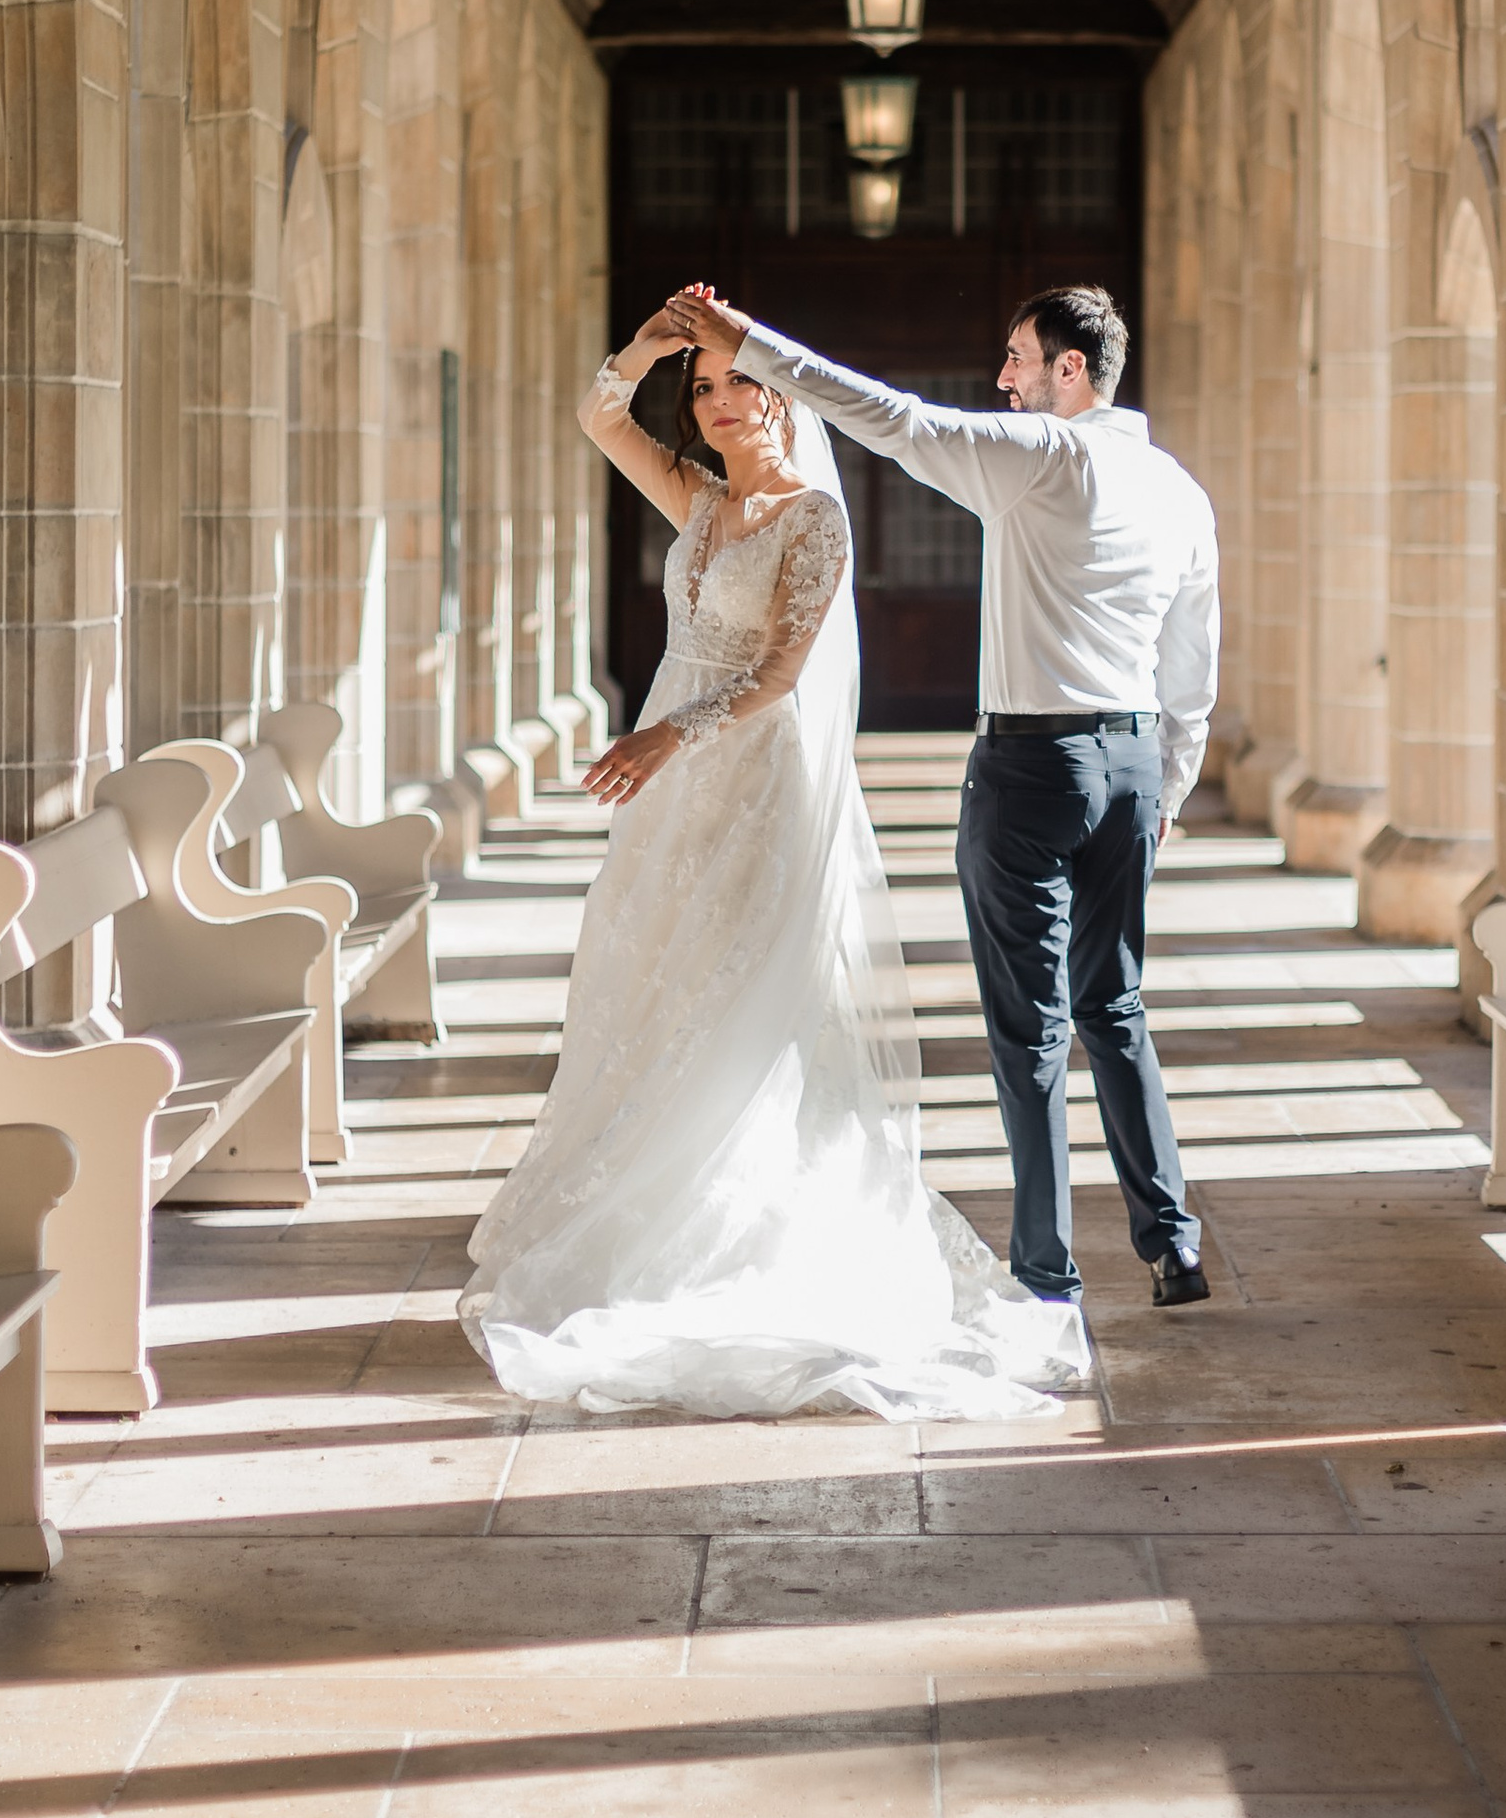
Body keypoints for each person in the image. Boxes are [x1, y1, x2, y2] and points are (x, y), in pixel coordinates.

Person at [457, 310, 1086, 1420]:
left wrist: (665, 736)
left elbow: (783, 676)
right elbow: (598, 415)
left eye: (730, 384)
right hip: (673, 792)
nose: (712, 402)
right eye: (700, 390)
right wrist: (650, 344)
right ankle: (644, 1200)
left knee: (742, 997)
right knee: (656, 983)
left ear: (779, 398)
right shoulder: (698, 501)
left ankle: (733, 1228)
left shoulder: (812, 525)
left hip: (751, 779)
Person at [667, 282, 1220, 1317]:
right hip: (1135, 765)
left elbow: (890, 417)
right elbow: (1192, 671)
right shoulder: (1179, 490)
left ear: (1070, 370)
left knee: (1031, 1029)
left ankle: (1047, 1273)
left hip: (1029, 770)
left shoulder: (1043, 458)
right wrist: (1163, 798)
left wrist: (749, 342)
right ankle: (1173, 1247)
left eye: (1017, 358)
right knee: (1118, 1005)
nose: (1001, 378)